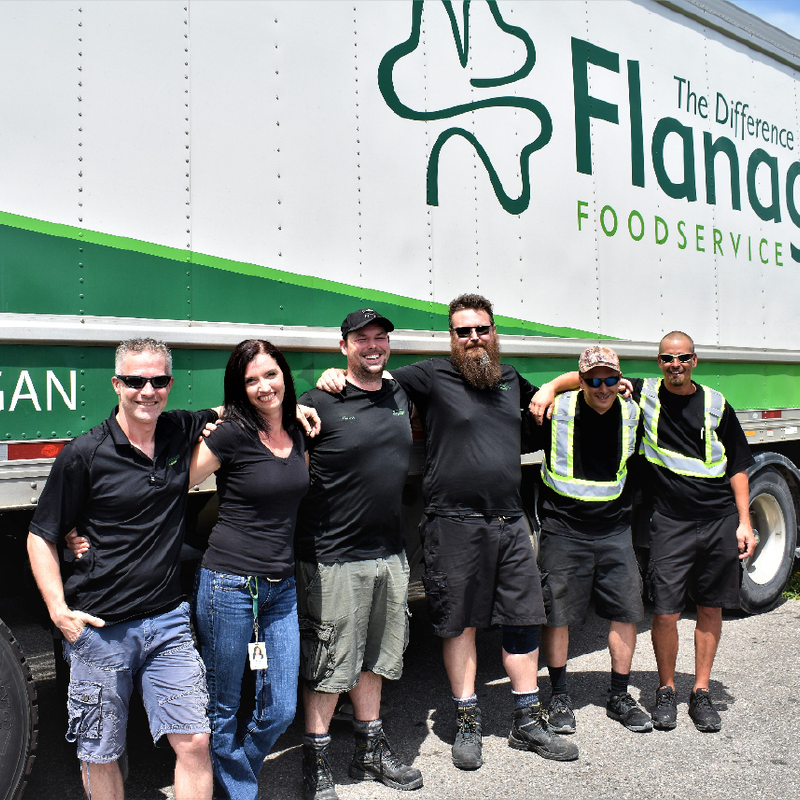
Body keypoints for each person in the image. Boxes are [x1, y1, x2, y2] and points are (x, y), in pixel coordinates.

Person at [318, 294, 578, 769]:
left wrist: (552, 386)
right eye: (463, 331)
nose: (474, 338)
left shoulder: (509, 379)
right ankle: (467, 719)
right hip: (453, 522)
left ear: (494, 332)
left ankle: (527, 717)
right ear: (451, 338)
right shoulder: (431, 375)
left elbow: (582, 383)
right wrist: (330, 377)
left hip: (509, 520)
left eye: (481, 329)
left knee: (523, 618)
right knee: (460, 623)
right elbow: (373, 375)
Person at [532, 331, 756, 733]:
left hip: (679, 522)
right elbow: (575, 379)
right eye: (668, 359)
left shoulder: (685, 406)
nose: (676, 365)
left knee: (662, 609)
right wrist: (549, 385)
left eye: (684, 357)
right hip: (607, 527)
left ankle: (664, 693)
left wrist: (745, 520)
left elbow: (738, 464)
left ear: (695, 360)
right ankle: (632, 692)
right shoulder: (593, 404)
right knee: (638, 612)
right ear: (657, 362)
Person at [27, 337, 215, 800]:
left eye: (158, 381)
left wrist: (301, 405)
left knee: (194, 741)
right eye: (134, 381)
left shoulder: (179, 430)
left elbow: (239, 409)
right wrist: (58, 611)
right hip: (100, 629)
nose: (146, 390)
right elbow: (40, 535)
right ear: (116, 384)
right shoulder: (84, 454)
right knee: (100, 751)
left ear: (170, 384)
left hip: (168, 622)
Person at [296, 309, 423, 800]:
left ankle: (369, 750)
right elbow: (291, 473)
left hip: (389, 553)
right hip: (332, 557)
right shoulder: (317, 401)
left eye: (380, 338)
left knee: (375, 657)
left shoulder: (398, 392)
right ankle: (317, 760)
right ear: (343, 346)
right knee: (329, 663)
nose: (373, 346)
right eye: (361, 339)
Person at [189, 339, 310, 800]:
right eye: (251, 379)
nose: (264, 387)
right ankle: (240, 791)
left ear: (284, 374)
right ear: (238, 388)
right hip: (229, 585)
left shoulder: (299, 431)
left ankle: (234, 772)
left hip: (281, 588)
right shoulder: (230, 433)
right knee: (223, 705)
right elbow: (174, 484)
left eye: (271, 374)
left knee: (279, 708)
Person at [526, 345, 652, 736]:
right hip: (564, 528)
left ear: (621, 380)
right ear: (580, 381)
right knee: (557, 613)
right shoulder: (555, 410)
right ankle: (559, 695)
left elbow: (676, 380)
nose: (602, 387)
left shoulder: (635, 412)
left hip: (614, 529)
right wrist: (549, 386)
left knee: (627, 610)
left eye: (610, 379)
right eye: (593, 379)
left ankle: (619, 694)